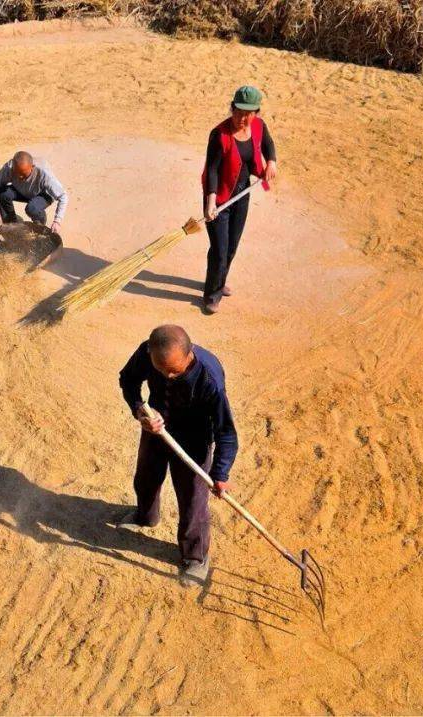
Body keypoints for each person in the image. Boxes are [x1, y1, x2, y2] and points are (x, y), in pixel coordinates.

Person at [117, 325, 238, 585]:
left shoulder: (210, 379)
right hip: (156, 429)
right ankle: (145, 517)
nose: (168, 376)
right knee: (146, 478)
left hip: (194, 440)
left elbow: (226, 431)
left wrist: (220, 473)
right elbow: (128, 379)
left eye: (174, 370)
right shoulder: (147, 353)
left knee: (193, 501)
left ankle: (195, 557)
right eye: (161, 370)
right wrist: (140, 410)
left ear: (189, 354)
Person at [201, 85, 279, 314]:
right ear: (232, 108)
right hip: (219, 198)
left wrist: (271, 161)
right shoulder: (219, 135)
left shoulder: (258, 126)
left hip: (242, 194)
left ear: (256, 112)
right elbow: (212, 170)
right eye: (238, 112)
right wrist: (210, 202)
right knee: (219, 249)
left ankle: (219, 280)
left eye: (247, 113)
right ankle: (211, 295)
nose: (242, 118)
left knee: (232, 246)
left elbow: (268, 144)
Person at [0, 151, 68, 234]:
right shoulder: (9, 168)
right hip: (22, 190)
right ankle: (12, 226)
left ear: (32, 167)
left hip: (43, 193)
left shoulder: (43, 173)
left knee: (32, 208)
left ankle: (39, 229)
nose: (19, 177)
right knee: (3, 194)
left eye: (23, 174)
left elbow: (63, 196)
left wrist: (57, 221)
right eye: (16, 173)